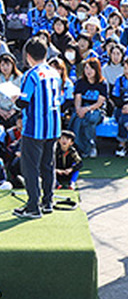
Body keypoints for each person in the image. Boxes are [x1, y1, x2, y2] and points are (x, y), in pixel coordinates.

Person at [12, 37, 62, 219]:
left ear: (28, 56)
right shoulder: (54, 72)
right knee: (48, 165)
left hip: (34, 128)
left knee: (30, 167)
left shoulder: (31, 75)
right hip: (54, 126)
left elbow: (23, 102)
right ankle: (47, 202)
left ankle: (33, 206)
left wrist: (14, 99)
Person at [69, 56, 107, 158]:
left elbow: (100, 102)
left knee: (90, 118)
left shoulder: (102, 83)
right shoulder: (80, 83)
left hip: (96, 109)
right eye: (86, 68)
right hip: (82, 107)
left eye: (91, 68)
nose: (88, 71)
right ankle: (83, 147)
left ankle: (90, 146)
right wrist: (79, 109)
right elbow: (78, 98)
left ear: (96, 69)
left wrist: (85, 109)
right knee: (78, 120)